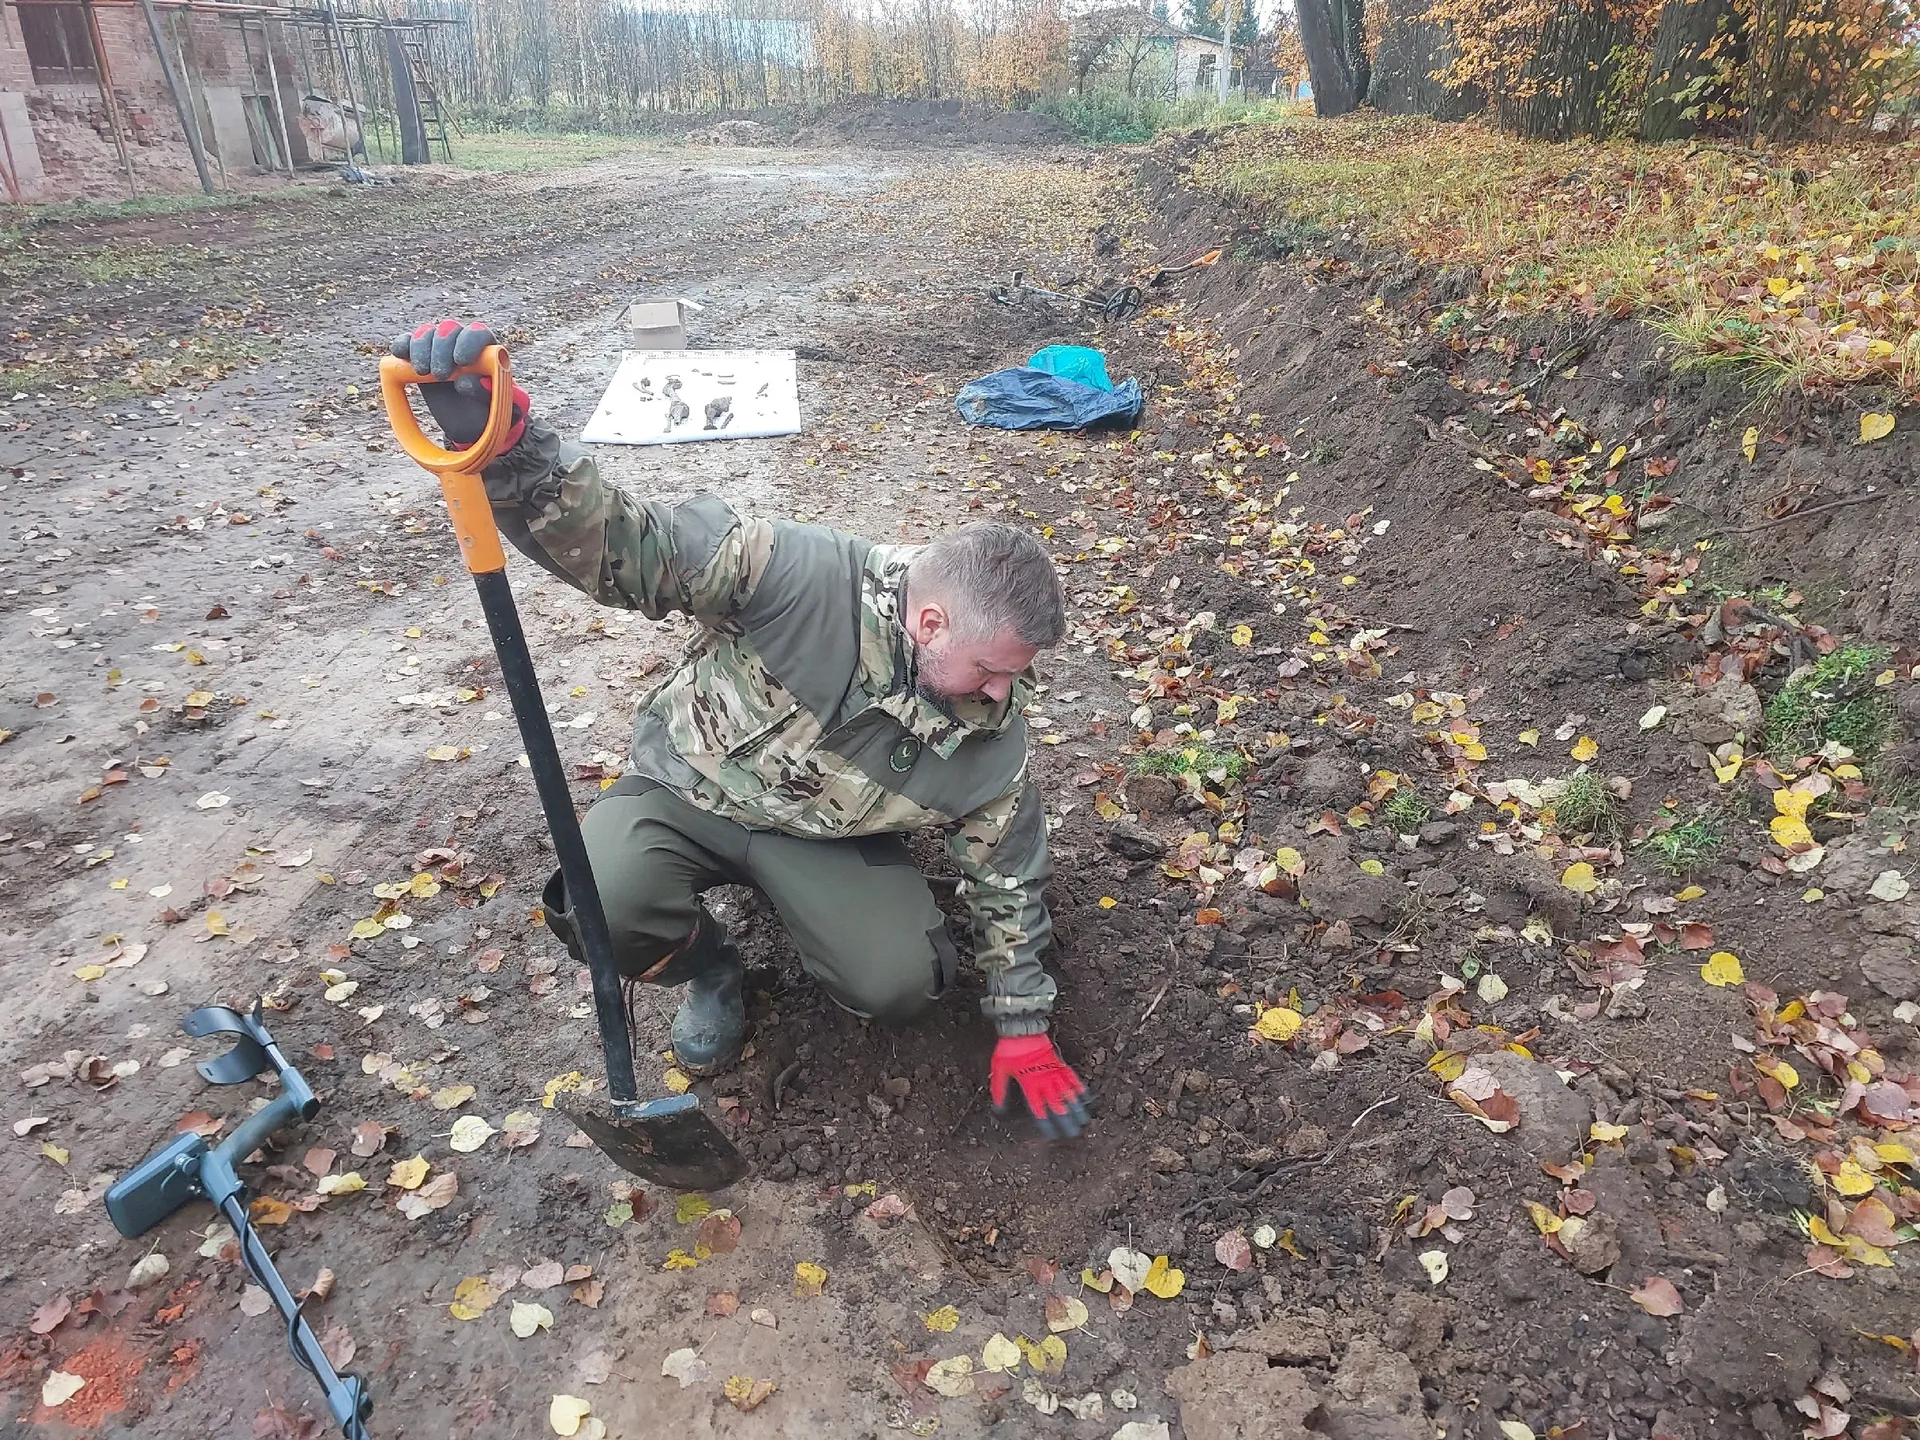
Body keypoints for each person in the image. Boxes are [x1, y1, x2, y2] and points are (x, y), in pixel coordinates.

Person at [391, 319, 1092, 1139]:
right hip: (691, 786)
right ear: (930, 622)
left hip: (827, 840)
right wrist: (509, 446)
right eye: (992, 669)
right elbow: (630, 550)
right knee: (599, 909)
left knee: (903, 981)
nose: (1008, 691)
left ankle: (814, 913)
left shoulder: (992, 734)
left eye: (1017, 671)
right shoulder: (791, 572)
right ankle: (714, 972)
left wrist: (1024, 1027)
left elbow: (1007, 880)